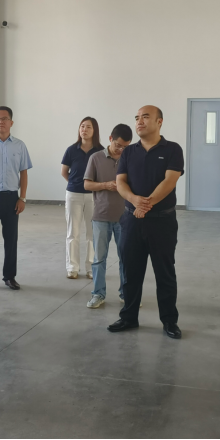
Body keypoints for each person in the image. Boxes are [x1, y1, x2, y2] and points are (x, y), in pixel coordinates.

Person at [108, 105, 184, 340]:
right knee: (130, 272)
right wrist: (134, 200)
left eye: (145, 117)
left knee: (165, 273)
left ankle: (169, 320)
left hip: (162, 222)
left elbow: (170, 181)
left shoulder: (172, 149)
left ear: (159, 122)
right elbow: (121, 182)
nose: (139, 121)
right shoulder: (129, 152)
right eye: (137, 118)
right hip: (131, 221)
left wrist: (146, 204)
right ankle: (129, 317)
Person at [0, 106, 33, 292]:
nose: (0, 122)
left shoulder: (19, 145)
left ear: (11, 122)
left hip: (11, 199)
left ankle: (10, 277)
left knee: (11, 240)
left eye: (4, 118)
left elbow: (23, 173)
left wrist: (22, 198)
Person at [83, 124, 132, 308]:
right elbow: (87, 185)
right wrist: (106, 185)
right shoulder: (96, 158)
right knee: (99, 259)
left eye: (125, 147)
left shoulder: (129, 158)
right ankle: (98, 294)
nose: (121, 150)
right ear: (111, 139)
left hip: (125, 217)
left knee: (126, 258)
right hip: (101, 216)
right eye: (118, 145)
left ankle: (126, 293)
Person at [61, 117, 105, 280]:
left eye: (88, 127)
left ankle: (91, 267)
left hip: (94, 196)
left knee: (93, 233)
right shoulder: (71, 150)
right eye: (82, 126)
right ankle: (72, 267)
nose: (84, 130)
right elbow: (64, 172)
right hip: (73, 195)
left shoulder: (101, 151)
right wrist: (76, 184)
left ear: (95, 130)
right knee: (73, 232)